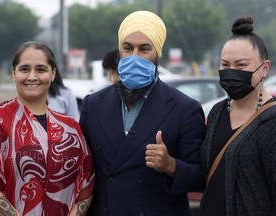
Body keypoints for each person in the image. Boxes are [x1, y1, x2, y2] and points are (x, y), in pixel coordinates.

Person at [80, 10, 206, 216]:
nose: (134, 56)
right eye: (128, 48)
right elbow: (82, 171)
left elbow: (201, 177)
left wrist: (171, 165)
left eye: (144, 49)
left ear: (157, 53)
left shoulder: (185, 108)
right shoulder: (93, 104)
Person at [0, 41, 95, 216]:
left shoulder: (71, 128)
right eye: (24, 69)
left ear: (53, 73)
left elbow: (87, 183)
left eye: (40, 69)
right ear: (13, 73)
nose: (32, 76)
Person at [199, 16, 276, 216]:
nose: (231, 72)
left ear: (265, 68)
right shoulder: (218, 111)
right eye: (225, 64)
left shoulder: (275, 121)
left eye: (241, 65)